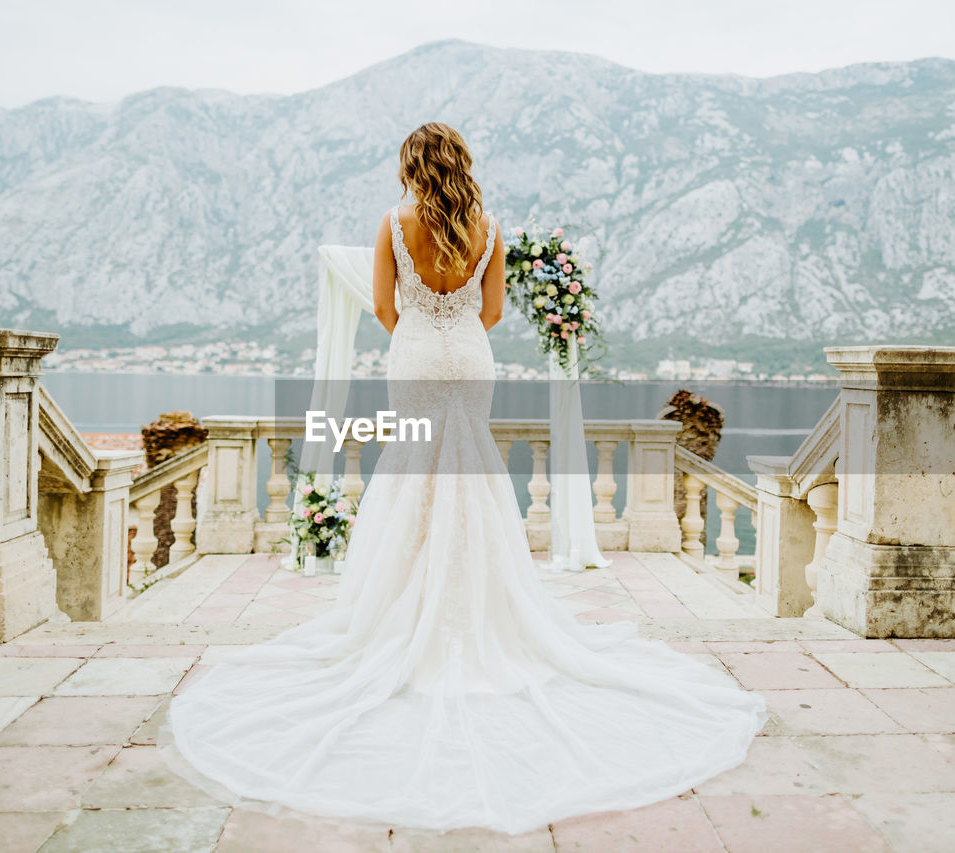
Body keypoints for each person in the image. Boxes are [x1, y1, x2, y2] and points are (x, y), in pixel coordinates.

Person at [163, 122, 766, 835]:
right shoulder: (487, 225)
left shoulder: (393, 223)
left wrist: (421, 329)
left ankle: (405, 614)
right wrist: (455, 328)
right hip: (470, 358)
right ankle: (478, 612)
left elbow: (385, 308)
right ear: (460, 164)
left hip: (416, 355)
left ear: (412, 166)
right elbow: (493, 311)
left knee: (413, 476)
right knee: (472, 478)